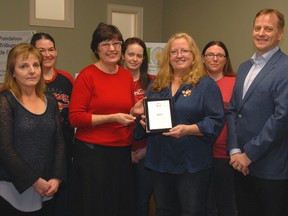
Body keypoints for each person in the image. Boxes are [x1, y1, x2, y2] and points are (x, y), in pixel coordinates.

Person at [138, 32, 225, 216]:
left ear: (193, 56)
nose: (179, 55)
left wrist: (189, 130)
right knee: (164, 210)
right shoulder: (156, 86)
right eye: (174, 51)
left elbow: (216, 121)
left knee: (191, 211)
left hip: (192, 164)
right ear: (167, 57)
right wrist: (144, 121)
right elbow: (147, 118)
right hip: (160, 162)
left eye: (184, 50)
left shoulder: (205, 85)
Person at [68, 23, 138, 216]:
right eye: (105, 44)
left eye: (116, 43)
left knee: (118, 206)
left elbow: (126, 111)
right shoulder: (87, 75)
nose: (112, 48)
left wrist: (136, 110)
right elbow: (75, 117)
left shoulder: (125, 76)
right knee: (96, 207)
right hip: (93, 155)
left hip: (122, 153)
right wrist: (111, 118)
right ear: (96, 49)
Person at [227, 8, 288, 216]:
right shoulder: (244, 67)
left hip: (270, 169)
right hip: (240, 165)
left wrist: (249, 154)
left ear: (280, 34)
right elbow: (234, 111)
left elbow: (281, 118)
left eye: (268, 29)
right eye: (257, 28)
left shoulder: (285, 68)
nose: (261, 33)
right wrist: (236, 151)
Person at [0, 43, 66, 215]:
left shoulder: (50, 101)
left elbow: (59, 142)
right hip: (12, 189)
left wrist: (56, 178)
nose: (32, 71)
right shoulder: (5, 101)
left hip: (47, 189)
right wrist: (34, 180)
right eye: (24, 66)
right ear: (13, 72)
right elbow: (4, 148)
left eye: (36, 65)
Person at [30, 32, 74, 216]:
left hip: (63, 152)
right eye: (41, 50)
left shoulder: (67, 79)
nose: (48, 55)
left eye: (51, 49)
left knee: (62, 205)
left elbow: (75, 115)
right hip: (35, 155)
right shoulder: (28, 80)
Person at [202, 41, 237, 216]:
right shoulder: (194, 83)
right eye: (210, 54)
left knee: (227, 206)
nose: (215, 59)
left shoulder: (236, 82)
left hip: (226, 155)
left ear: (226, 59)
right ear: (202, 58)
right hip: (199, 154)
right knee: (204, 205)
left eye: (220, 55)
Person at [122, 37, 155, 216]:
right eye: (131, 54)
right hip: (118, 151)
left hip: (145, 152)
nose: (134, 59)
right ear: (123, 55)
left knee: (142, 201)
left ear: (144, 59)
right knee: (121, 199)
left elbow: (161, 120)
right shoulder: (114, 81)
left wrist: (144, 151)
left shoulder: (154, 83)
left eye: (139, 55)